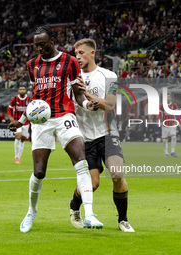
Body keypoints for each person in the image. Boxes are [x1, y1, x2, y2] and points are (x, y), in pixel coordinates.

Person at [7, 26, 103, 232]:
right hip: (42, 122)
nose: (39, 48)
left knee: (81, 161)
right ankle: (31, 211)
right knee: (39, 172)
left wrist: (87, 105)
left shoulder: (70, 62)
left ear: (53, 40)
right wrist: (22, 120)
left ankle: (90, 214)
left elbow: (78, 93)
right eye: (36, 45)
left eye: (42, 43)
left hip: (64, 116)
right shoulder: (32, 65)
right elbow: (35, 97)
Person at [69, 38, 135, 232]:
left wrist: (89, 96)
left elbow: (111, 104)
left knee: (117, 174)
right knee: (93, 184)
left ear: (92, 53)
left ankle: (122, 219)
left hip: (108, 134)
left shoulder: (109, 76)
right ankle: (74, 206)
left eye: (81, 53)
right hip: (84, 138)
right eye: (76, 54)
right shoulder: (71, 80)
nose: (77, 57)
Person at [7, 84, 30, 165]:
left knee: (23, 139)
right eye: (20, 89)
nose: (22, 90)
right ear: (18, 90)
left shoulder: (29, 99)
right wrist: (10, 118)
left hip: (26, 122)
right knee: (18, 136)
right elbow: (9, 109)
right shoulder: (15, 99)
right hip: (17, 121)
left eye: (23, 89)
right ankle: (17, 157)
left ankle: (19, 156)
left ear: (25, 90)